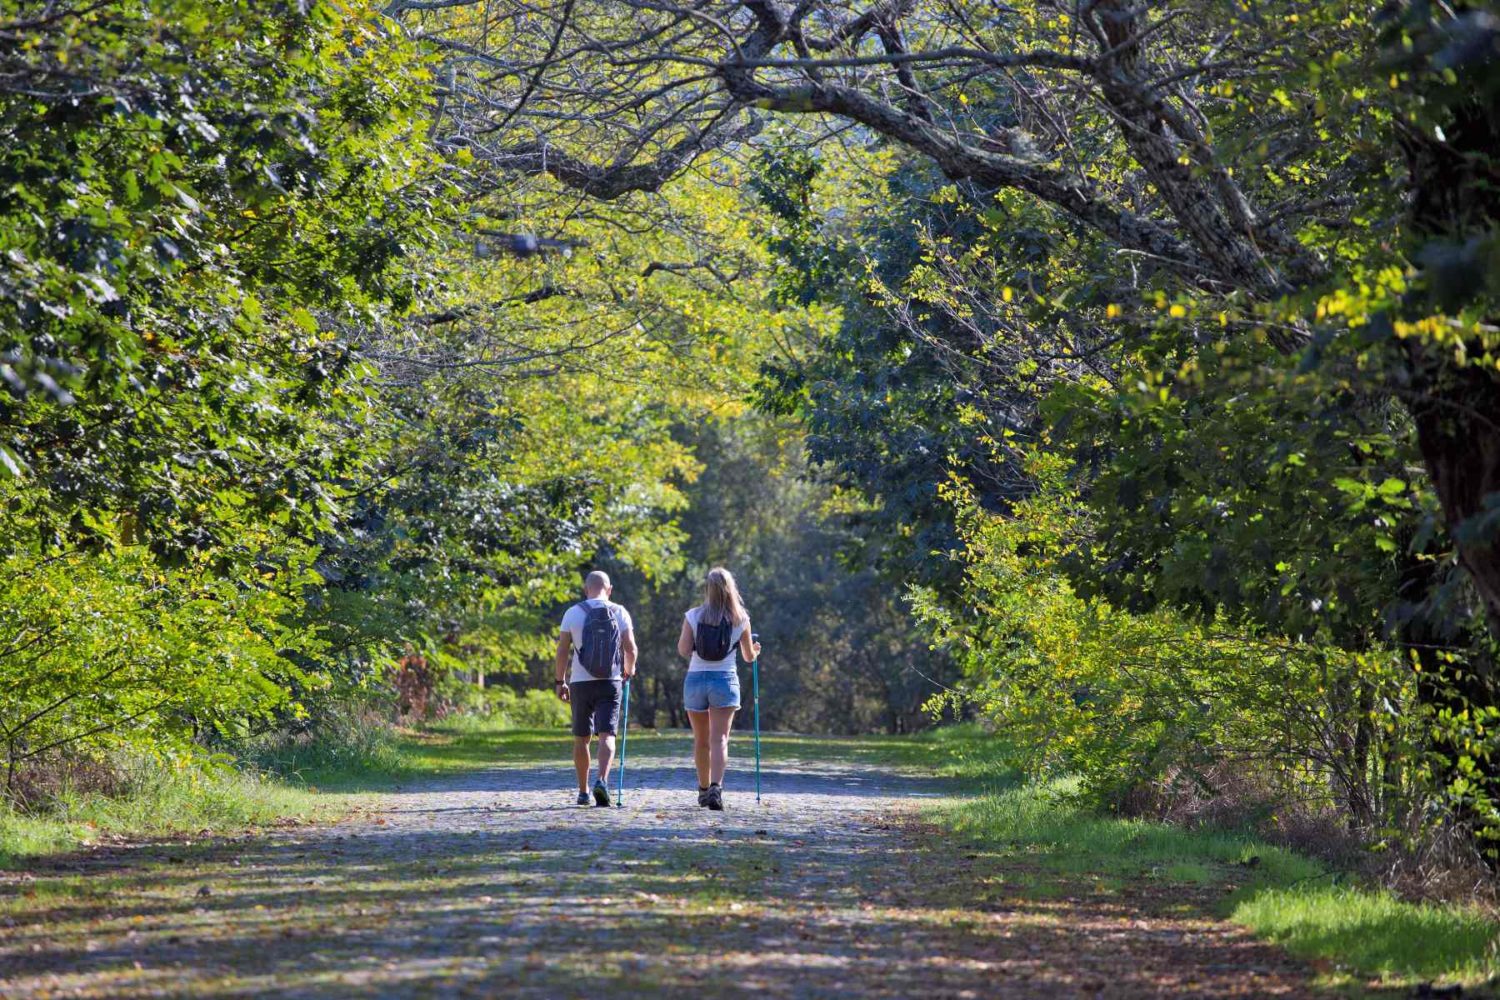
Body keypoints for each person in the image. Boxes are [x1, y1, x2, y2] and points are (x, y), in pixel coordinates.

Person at [676, 567, 760, 811]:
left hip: (695, 679)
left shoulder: (693, 615)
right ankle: (716, 788)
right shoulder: (741, 618)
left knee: (701, 740)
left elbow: (683, 650)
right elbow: (747, 657)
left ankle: (703, 791)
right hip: (725, 679)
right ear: (731, 589)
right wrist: (755, 650)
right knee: (720, 739)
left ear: (708, 589)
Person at [555, 570, 637, 806]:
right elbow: (630, 648)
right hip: (611, 682)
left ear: (585, 589)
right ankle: (602, 779)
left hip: (580, 683)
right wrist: (628, 671)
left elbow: (562, 650)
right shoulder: (619, 612)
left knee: (582, 738)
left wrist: (560, 682)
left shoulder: (573, 613)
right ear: (609, 589)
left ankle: (583, 791)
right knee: (607, 734)